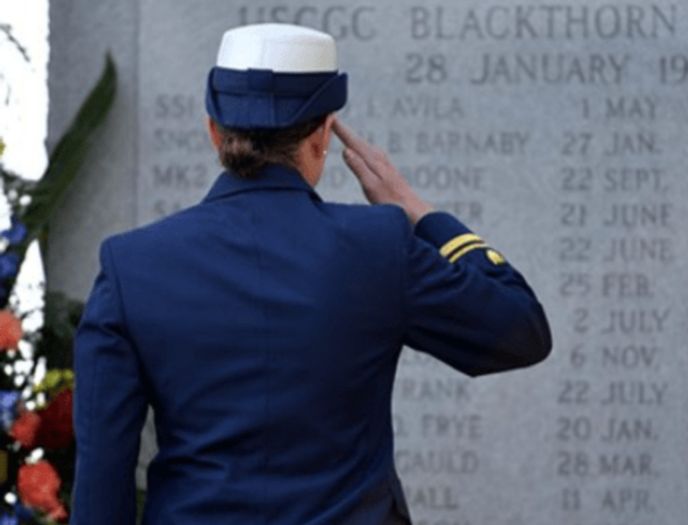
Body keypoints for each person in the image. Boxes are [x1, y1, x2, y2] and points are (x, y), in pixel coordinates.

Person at [71, 23, 551, 524]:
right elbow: (521, 330)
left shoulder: (131, 264)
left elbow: (102, 479)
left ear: (214, 131)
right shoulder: (378, 245)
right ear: (323, 134)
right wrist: (417, 210)